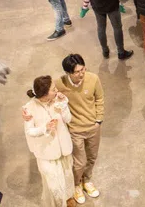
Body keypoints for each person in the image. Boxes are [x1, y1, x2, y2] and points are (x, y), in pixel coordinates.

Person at [25, 55, 104, 204]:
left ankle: (87, 181)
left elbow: (100, 98)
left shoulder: (93, 78)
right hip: (75, 129)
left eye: (83, 69)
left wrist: (98, 120)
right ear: (68, 73)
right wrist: (28, 109)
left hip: (93, 126)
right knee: (79, 161)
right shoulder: (58, 84)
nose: (82, 74)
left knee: (92, 156)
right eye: (77, 71)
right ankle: (76, 185)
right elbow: (39, 92)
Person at [22, 76, 77, 207]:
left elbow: (68, 119)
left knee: (67, 176)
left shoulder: (58, 100)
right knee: (55, 186)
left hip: (63, 148)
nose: (57, 90)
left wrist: (64, 106)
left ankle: (69, 199)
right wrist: (44, 128)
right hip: (46, 153)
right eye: (53, 89)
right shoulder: (29, 108)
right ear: (45, 95)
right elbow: (29, 131)